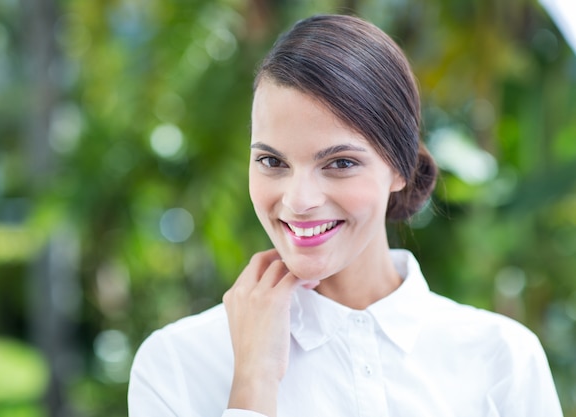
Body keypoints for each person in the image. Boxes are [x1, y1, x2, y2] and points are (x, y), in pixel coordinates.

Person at [128, 14, 563, 417]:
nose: (299, 200)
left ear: (399, 166)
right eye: (272, 162)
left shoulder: (504, 360)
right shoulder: (178, 365)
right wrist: (253, 384)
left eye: (339, 163)